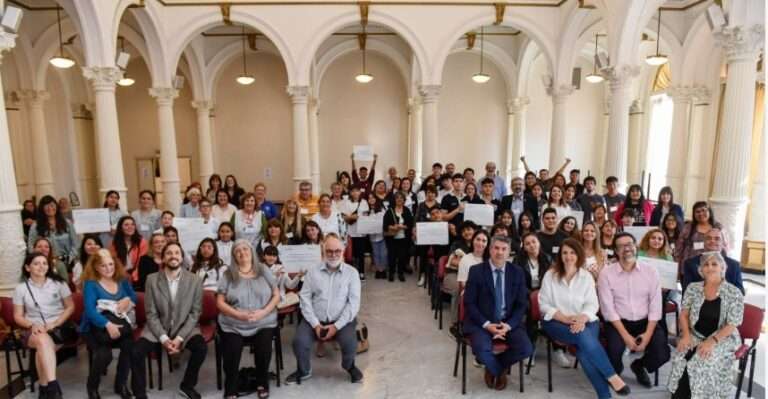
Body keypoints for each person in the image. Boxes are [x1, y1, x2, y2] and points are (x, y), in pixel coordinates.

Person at [539, 239, 631, 398]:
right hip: (556, 322)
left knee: (584, 352)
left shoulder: (586, 277)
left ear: (579, 255)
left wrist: (581, 318)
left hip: (586, 321)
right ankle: (612, 376)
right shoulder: (550, 275)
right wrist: (565, 319)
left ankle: (604, 395)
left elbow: (592, 304)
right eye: (565, 253)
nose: (568, 257)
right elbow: (544, 304)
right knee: (583, 337)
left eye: (572, 252)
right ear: (560, 255)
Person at [131, 242, 207, 399]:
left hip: (185, 326)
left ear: (182, 257)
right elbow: (151, 314)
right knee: (136, 351)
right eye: (169, 253)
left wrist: (179, 339)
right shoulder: (151, 280)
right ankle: (139, 393)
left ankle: (187, 386)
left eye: (177, 253)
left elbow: (195, 313)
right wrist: (164, 339)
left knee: (201, 348)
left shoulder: (195, 280)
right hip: (158, 327)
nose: (173, 256)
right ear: (163, 258)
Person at [287, 234, 363, 385]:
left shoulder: (352, 273)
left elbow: (353, 304)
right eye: (329, 251)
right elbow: (305, 298)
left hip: (342, 320)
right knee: (299, 342)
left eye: (337, 251)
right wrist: (315, 324)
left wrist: (336, 326)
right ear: (323, 252)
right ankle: (304, 370)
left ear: (343, 251)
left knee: (350, 343)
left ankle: (349, 366)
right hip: (314, 319)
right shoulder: (313, 272)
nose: (333, 254)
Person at [667, 251, 744, 398]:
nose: (710, 267)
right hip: (695, 334)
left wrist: (711, 341)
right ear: (700, 269)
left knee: (701, 361)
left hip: (723, 337)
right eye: (705, 264)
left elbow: (732, 324)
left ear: (722, 267)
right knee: (681, 355)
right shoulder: (693, 288)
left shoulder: (734, 293)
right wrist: (686, 336)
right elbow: (684, 314)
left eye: (714, 264)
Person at [597, 232, 670, 389]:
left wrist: (648, 335)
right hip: (618, 322)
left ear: (635, 246)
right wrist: (627, 338)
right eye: (621, 246)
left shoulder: (651, 271)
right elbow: (608, 309)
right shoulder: (606, 274)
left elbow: (656, 306)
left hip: (645, 321)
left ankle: (639, 365)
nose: (627, 248)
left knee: (662, 352)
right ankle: (616, 371)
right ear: (616, 251)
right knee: (614, 350)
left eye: (629, 244)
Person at [463, 235, 532, 391]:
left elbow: (522, 305)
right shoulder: (476, 271)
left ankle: (494, 366)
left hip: (507, 322)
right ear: (490, 249)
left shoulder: (517, 272)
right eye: (496, 248)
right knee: (481, 350)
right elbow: (469, 303)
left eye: (504, 249)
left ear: (509, 253)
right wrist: (487, 325)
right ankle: (498, 370)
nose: (499, 252)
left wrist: (508, 325)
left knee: (526, 348)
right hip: (482, 322)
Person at [217, 239, 279, 399]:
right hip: (234, 322)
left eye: (245, 249)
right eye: (237, 250)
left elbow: (276, 295)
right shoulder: (228, 274)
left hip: (263, 320)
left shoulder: (263, 269)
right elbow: (219, 302)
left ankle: (262, 382)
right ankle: (231, 386)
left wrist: (263, 312)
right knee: (232, 350)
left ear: (251, 251)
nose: (242, 252)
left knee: (264, 348)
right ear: (234, 256)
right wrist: (239, 315)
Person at [13, 252, 75, 399]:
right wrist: (32, 324)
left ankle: (44, 386)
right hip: (32, 329)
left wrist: (55, 323)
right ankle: (53, 386)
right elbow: (17, 316)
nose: (41, 266)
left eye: (44, 263)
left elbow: (70, 307)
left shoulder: (59, 284)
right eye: (36, 263)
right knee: (42, 340)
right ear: (27, 268)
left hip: (59, 327)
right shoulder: (21, 288)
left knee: (43, 347)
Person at [80, 249, 137, 399]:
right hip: (94, 327)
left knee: (129, 346)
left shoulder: (121, 279)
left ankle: (121, 384)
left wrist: (127, 300)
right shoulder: (90, 284)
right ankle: (92, 386)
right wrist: (108, 325)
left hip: (119, 324)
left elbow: (133, 297)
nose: (108, 268)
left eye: (111, 264)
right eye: (103, 265)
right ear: (96, 267)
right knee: (105, 354)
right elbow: (90, 311)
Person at [513, 233, 552, 346]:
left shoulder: (547, 258)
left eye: (534, 242)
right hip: (525, 293)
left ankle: (557, 348)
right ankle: (530, 347)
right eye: (527, 243)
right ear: (524, 247)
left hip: (544, 293)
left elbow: (552, 281)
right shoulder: (518, 260)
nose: (531, 245)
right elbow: (516, 283)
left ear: (539, 243)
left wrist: (542, 294)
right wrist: (532, 294)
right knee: (531, 307)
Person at [682, 228, 744, 295]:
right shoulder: (690, 264)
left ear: (723, 243)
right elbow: (686, 293)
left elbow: (740, 292)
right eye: (708, 238)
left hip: (726, 303)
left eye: (717, 239)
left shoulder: (734, 265)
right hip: (700, 303)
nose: (712, 241)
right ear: (704, 242)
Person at [28, 195, 78, 270]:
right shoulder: (35, 226)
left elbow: (76, 244)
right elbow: (31, 246)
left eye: (52, 205)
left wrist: (68, 259)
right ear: (42, 209)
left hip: (67, 262)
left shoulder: (67, 223)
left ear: (56, 206)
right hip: (45, 264)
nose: (50, 208)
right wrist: (39, 261)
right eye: (46, 206)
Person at [676, 201, 727, 265]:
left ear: (709, 212)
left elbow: (724, 247)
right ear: (694, 214)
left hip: (712, 265)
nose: (701, 213)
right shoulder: (688, 227)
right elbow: (679, 247)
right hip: (690, 264)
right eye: (697, 212)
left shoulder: (718, 227)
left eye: (703, 210)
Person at [383, 192, 415, 282]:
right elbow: (385, 225)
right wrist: (393, 227)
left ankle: (400, 273)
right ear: (394, 200)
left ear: (404, 200)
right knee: (391, 256)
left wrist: (402, 227)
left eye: (401, 198)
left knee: (402, 256)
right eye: (397, 198)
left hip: (404, 238)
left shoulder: (407, 210)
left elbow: (410, 224)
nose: (399, 199)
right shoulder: (389, 211)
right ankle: (391, 273)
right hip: (391, 238)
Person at [340, 185, 369, 280]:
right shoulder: (346, 202)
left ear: (360, 192)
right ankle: (351, 273)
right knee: (350, 254)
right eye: (353, 191)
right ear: (350, 193)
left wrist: (351, 217)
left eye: (357, 191)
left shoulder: (364, 202)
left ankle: (361, 272)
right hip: (350, 233)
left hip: (361, 232)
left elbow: (364, 216)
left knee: (361, 254)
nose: (355, 193)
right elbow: (343, 216)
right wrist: (353, 217)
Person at [111, 216, 149, 285]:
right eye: (126, 225)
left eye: (132, 224)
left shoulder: (142, 242)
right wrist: (123, 274)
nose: (130, 227)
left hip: (137, 276)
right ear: (121, 228)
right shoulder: (114, 243)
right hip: (120, 276)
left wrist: (132, 276)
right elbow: (114, 262)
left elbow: (141, 263)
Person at [367, 195, 388, 279]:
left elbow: (385, 220)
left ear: (376, 199)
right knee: (375, 254)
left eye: (373, 198)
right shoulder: (367, 211)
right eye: (369, 198)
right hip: (372, 236)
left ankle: (383, 269)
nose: (371, 199)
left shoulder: (382, 209)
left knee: (383, 254)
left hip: (382, 235)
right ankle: (378, 270)